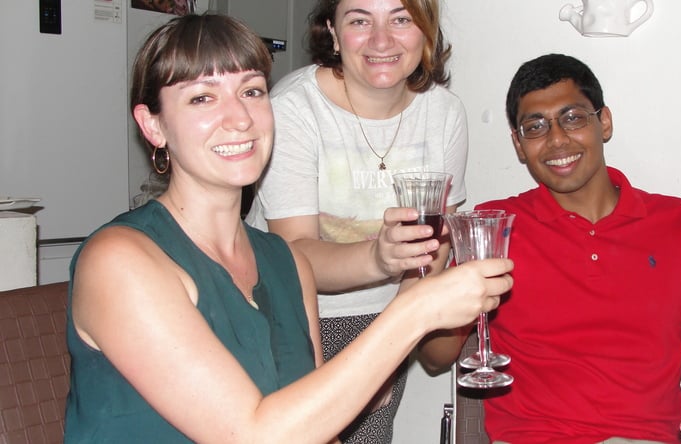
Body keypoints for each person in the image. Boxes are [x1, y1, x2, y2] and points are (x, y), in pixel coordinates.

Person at [63, 13, 513, 443]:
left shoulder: (288, 263)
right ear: (153, 125)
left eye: (252, 91)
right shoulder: (120, 261)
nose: (240, 118)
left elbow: (319, 433)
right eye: (202, 98)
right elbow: (253, 435)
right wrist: (415, 312)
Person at [439, 54, 681, 444]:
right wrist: (427, 265)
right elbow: (436, 356)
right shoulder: (496, 227)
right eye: (536, 126)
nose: (557, 139)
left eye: (573, 118)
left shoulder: (677, 222)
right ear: (519, 145)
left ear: (603, 122)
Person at [245, 0, 467, 441]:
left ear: (426, 30)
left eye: (400, 19)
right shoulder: (292, 109)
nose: (381, 40)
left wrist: (389, 347)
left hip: (387, 314)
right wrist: (379, 258)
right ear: (332, 31)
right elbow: (293, 254)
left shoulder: (444, 113)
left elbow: (435, 245)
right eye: (360, 20)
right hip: (287, 314)